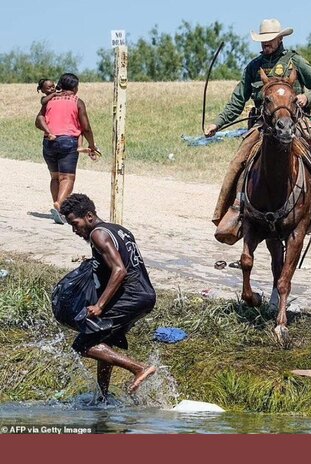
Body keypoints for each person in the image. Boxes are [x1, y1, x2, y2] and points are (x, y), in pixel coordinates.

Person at [205, 19, 311, 242]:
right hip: (263, 126)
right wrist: (218, 123)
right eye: (262, 41)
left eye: (269, 40)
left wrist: (305, 97)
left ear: (280, 39)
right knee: (239, 159)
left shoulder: (295, 61)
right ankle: (230, 212)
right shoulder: (254, 67)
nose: (265, 45)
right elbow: (237, 102)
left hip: (295, 122)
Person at [60, 194, 157, 397]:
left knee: (83, 344)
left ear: (88, 216)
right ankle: (102, 396)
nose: (75, 230)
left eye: (75, 224)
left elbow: (119, 270)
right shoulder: (119, 230)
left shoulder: (98, 234)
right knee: (105, 340)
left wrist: (100, 306)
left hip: (131, 297)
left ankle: (138, 368)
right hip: (145, 295)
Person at [35, 73, 99, 225]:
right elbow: (86, 127)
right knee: (67, 178)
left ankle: (57, 207)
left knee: (55, 177)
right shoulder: (77, 101)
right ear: (75, 87)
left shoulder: (49, 101)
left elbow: (38, 121)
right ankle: (59, 205)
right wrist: (91, 144)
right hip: (67, 142)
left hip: (49, 142)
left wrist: (49, 131)